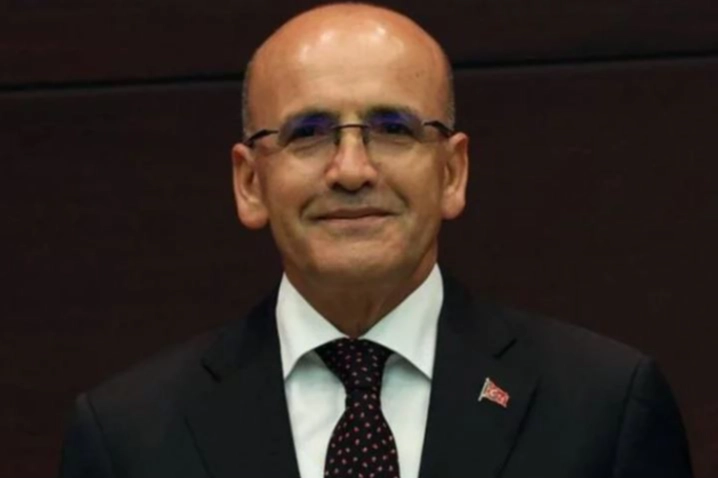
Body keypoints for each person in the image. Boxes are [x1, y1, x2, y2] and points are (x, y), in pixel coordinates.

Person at [58, 3, 694, 478]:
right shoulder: (129, 436)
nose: (352, 170)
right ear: (250, 183)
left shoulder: (602, 408)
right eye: (309, 133)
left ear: (452, 173)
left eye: (392, 129)